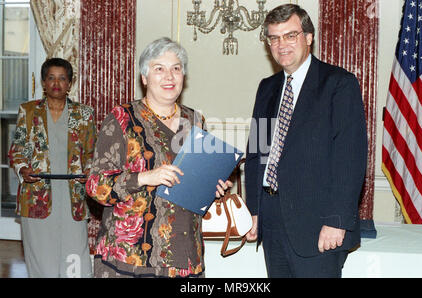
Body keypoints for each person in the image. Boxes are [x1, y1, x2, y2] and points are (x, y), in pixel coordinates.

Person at [86, 37, 232, 278]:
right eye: (159, 69)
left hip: (185, 256)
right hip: (130, 260)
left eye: (176, 69)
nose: (169, 76)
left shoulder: (195, 121)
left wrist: (212, 187)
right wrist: (144, 177)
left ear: (183, 77)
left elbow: (193, 187)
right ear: (144, 78)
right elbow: (95, 186)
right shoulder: (122, 119)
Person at [244, 4, 368, 278]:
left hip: (319, 224)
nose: (282, 45)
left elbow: (351, 158)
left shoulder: (339, 84)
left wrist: (337, 221)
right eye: (274, 38)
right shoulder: (267, 87)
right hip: (272, 221)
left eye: (290, 35)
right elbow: (257, 154)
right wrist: (253, 210)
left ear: (308, 37)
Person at [8, 57, 96, 278]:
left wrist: (89, 171)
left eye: (62, 79)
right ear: (44, 83)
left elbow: (92, 152)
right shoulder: (27, 111)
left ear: (70, 84)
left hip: (73, 196)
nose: (56, 84)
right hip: (36, 196)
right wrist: (22, 169)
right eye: (51, 78)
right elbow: (16, 150)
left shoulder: (84, 114)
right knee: (42, 261)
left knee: (75, 260)